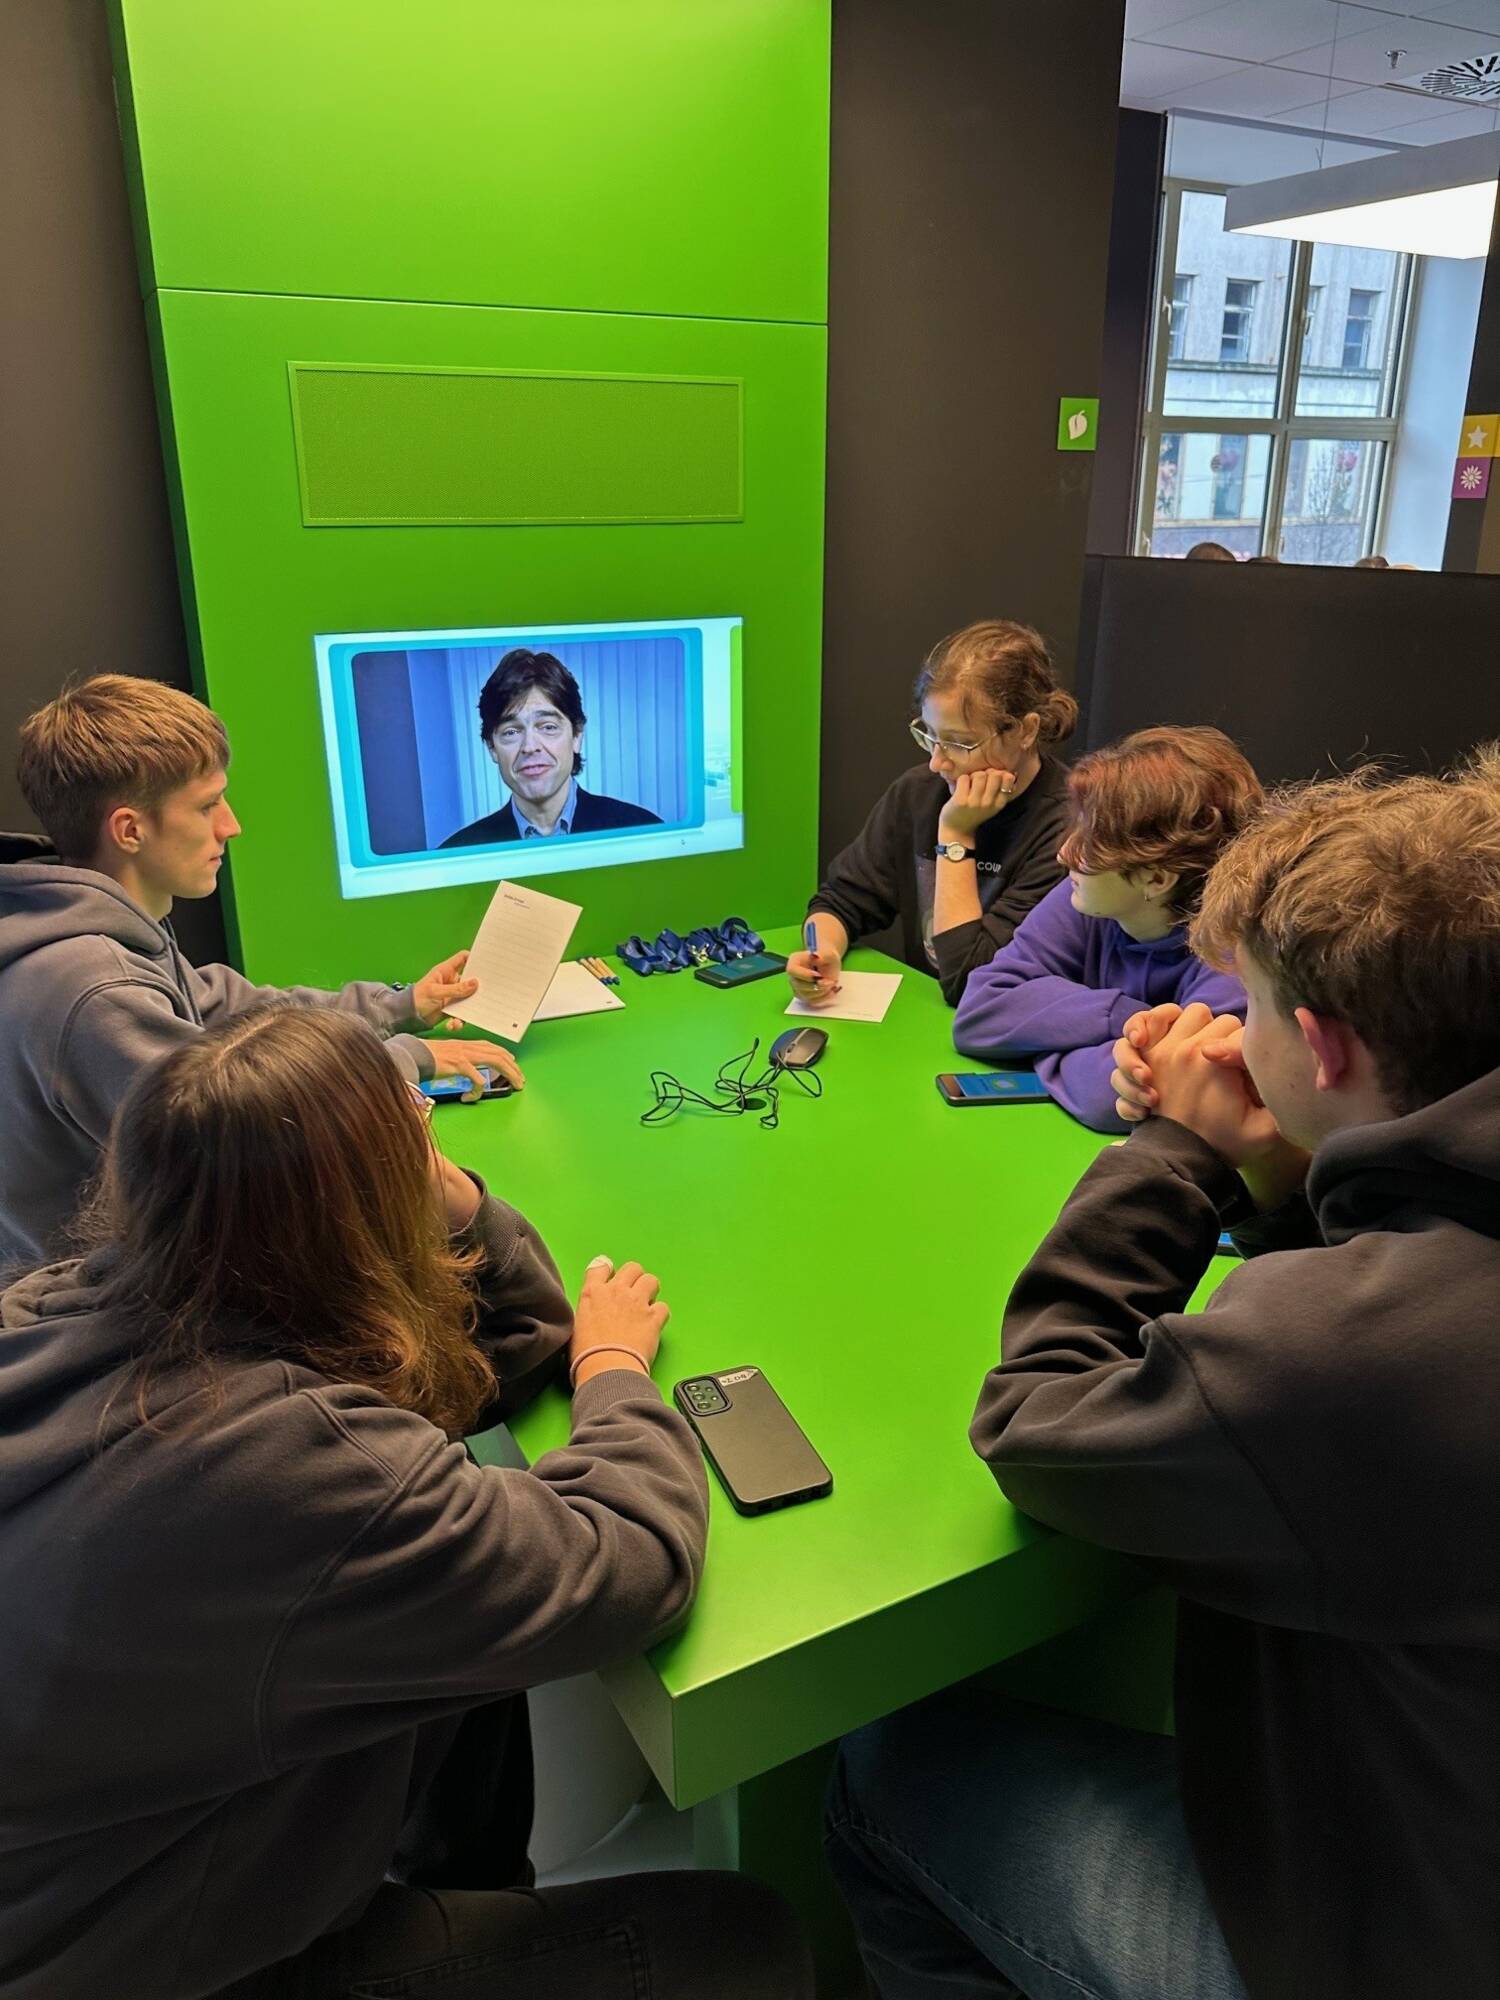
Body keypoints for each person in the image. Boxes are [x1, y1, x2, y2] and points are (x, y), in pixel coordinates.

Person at [827, 753, 1500, 2000]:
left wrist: (1176, 1151)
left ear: (1320, 1045)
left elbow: (1038, 1423)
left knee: (889, 1765)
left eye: (1250, 1009)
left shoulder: (1344, 1356)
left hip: (1396, 1943)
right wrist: (1291, 1183)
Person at [0, 1006, 813, 2000]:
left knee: (463, 1630)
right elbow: (629, 1558)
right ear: (366, 1207)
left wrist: (437, 1188)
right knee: (744, 1938)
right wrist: (610, 1366)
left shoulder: (66, 1305)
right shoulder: (299, 1465)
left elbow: (494, 1359)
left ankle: (467, 1892)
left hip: (76, 1885)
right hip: (142, 1966)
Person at [0, 676, 521, 1269]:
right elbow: (254, 1138)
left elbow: (230, 1008)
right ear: (130, 830)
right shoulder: (98, 988)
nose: (230, 826)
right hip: (106, 1301)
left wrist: (401, 1006)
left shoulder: (97, 928)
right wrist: (403, 1059)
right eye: (207, 806)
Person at [950, 726, 1260, 1131]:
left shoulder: (1233, 954)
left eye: (1092, 841)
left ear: (1156, 878)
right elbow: (979, 1011)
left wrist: (1041, 1044)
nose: (1065, 853)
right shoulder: (1087, 898)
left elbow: (1118, 1099)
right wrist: (1123, 1017)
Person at [790, 620, 1078, 1009]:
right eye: (929, 735)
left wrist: (956, 836)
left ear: (1025, 731)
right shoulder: (918, 792)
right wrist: (822, 949)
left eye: (960, 743)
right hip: (925, 1017)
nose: (937, 763)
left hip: (1000, 1030)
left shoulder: (1069, 827)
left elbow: (971, 983)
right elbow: (842, 900)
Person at [440, 648, 663, 846]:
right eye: (511, 732)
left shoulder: (644, 832)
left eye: (548, 727)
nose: (530, 746)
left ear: (576, 736)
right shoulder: (457, 854)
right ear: (492, 747)